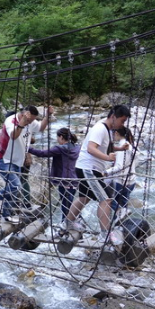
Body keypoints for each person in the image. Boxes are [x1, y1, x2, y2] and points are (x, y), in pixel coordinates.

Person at [61, 104, 131, 246]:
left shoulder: (106, 128)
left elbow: (105, 146)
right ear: (113, 117)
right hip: (89, 169)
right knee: (106, 200)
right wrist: (108, 158)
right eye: (122, 121)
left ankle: (66, 223)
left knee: (83, 198)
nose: (122, 125)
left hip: (86, 168)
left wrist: (119, 148)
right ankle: (104, 235)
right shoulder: (100, 128)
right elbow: (91, 148)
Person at [0, 105, 52, 223]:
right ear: (24, 115)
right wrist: (23, 122)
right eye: (30, 120)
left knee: (14, 190)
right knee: (16, 186)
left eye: (33, 120)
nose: (31, 122)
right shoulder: (11, 120)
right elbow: (14, 136)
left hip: (17, 161)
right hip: (4, 159)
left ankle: (6, 215)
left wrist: (47, 116)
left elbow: (41, 128)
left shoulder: (31, 121)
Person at [28, 127, 80, 222]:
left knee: (65, 205)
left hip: (64, 181)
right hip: (75, 180)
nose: (57, 139)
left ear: (61, 137)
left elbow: (42, 153)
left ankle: (66, 224)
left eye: (57, 137)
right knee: (70, 204)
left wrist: (28, 148)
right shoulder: (77, 147)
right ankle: (71, 222)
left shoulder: (60, 149)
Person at [106, 127, 139, 219]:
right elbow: (135, 163)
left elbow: (119, 167)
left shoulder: (122, 146)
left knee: (107, 200)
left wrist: (105, 172)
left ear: (116, 133)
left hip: (120, 181)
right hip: (131, 181)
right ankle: (122, 225)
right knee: (123, 209)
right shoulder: (131, 145)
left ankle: (115, 225)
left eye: (113, 134)